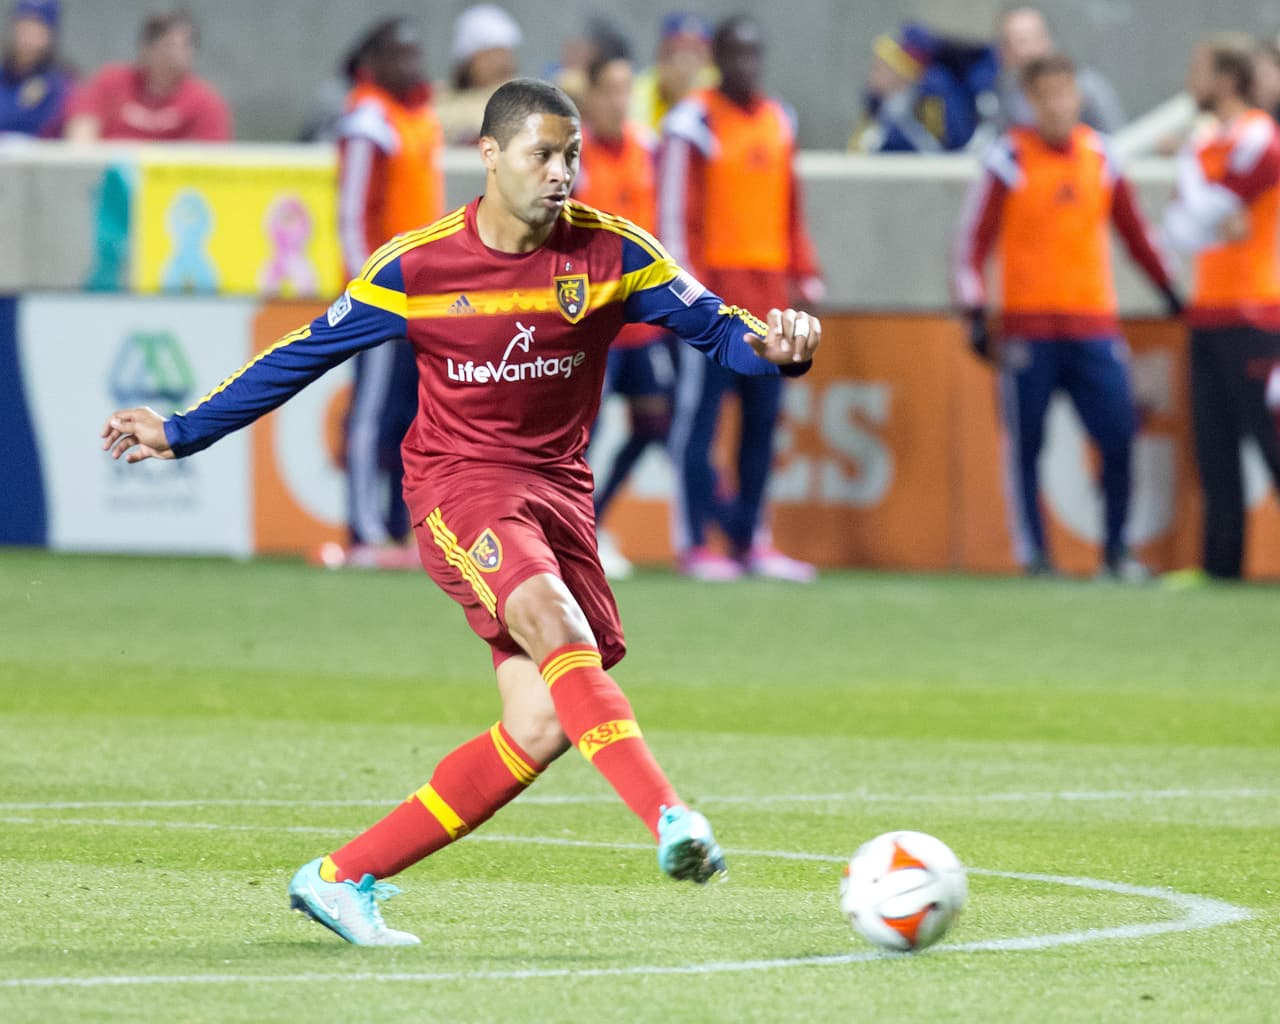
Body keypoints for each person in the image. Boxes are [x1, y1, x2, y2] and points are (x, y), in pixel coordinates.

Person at [101, 78, 821, 946]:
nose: (562, 174)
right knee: (560, 630)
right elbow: (302, 354)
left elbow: (721, 333)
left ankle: (339, 878)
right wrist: (182, 430)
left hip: (558, 490)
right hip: (459, 484)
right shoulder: (419, 266)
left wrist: (776, 350)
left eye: (572, 156)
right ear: (489, 156)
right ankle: (673, 820)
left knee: (543, 720)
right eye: (542, 155)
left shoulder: (613, 253)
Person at [953, 54, 1181, 579]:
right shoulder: (1007, 159)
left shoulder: (1101, 157)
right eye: (1047, 95)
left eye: (1066, 93)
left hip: (1092, 325)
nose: (1058, 104)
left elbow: (1135, 232)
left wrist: (1169, 289)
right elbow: (971, 243)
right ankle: (1035, 554)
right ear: (1030, 101)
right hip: (1029, 328)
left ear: (1078, 96)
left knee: (1119, 433)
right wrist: (973, 310)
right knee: (1027, 444)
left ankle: (1117, 550)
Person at [659, 15, 823, 582]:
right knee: (698, 425)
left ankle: (753, 538)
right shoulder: (692, 123)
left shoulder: (779, 120)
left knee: (761, 426)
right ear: (717, 58)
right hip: (714, 302)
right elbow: (676, 222)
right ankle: (694, 541)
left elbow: (791, 210)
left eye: (756, 54)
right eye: (736, 54)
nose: (747, 66)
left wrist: (806, 279)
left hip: (769, 298)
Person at [1161, 39, 1280, 582]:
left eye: (1199, 70)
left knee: (1270, 442)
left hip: (1255, 314)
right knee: (1215, 452)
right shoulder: (1209, 143)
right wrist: (1209, 213)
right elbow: (1181, 231)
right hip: (1208, 310)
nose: (1192, 80)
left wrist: (1201, 197)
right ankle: (1220, 569)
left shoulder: (1258, 134)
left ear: (1227, 80)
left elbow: (1209, 208)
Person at [326, 18, 443, 569]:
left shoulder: (419, 116)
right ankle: (363, 529)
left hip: (424, 294)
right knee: (371, 412)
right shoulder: (369, 119)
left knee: (412, 413)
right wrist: (364, 291)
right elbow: (351, 216)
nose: (411, 66)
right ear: (372, 63)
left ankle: (400, 526)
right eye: (398, 55)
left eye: (416, 54)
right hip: (382, 293)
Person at [574, 38, 675, 580]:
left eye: (625, 90)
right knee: (582, 433)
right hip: (590, 320)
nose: (619, 101)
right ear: (588, 95)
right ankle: (570, 536)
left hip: (639, 318)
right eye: (609, 90)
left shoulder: (647, 147)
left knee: (656, 421)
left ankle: (590, 518)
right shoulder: (573, 155)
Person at [63, 8, 230, 142]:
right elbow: (80, 140)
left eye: (186, 46)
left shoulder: (204, 101)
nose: (177, 55)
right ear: (146, 48)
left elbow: (210, 160)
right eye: (168, 45)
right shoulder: (110, 83)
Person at [849, 23, 985, 153]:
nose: (871, 75)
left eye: (878, 69)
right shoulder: (876, 107)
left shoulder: (932, 105)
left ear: (900, 75)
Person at [990, 5, 1123, 135]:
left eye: (1030, 39)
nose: (1029, 50)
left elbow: (1116, 140)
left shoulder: (1087, 87)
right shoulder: (1007, 95)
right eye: (1018, 43)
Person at [435, 3, 521, 145]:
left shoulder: (519, 98)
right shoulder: (444, 100)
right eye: (491, 55)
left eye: (503, 54)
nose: (502, 62)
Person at [629, 12, 715, 135]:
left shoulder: (718, 90)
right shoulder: (640, 91)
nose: (684, 62)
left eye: (695, 52)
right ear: (661, 54)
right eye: (675, 51)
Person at [0, 0, 72, 138]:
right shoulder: (3, 76)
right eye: (24, 26)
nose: (28, 38)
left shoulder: (63, 83)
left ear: (51, 33)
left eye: (38, 27)